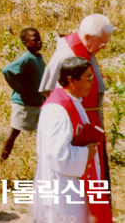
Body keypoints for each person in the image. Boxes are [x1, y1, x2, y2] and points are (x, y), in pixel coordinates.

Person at [38, 14, 113, 197]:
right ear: (87, 37)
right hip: (74, 130)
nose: (104, 47)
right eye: (101, 42)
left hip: (89, 120)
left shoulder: (86, 50)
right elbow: (57, 98)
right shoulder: (67, 54)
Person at [34, 57, 112, 222]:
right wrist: (85, 153)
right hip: (62, 187)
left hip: (74, 180)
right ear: (71, 80)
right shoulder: (58, 109)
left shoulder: (73, 102)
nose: (93, 82)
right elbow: (54, 155)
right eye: (88, 77)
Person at [1, 28, 45, 160]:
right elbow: (7, 70)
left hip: (36, 102)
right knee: (14, 132)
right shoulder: (27, 58)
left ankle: (42, 160)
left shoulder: (38, 57)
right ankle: (2, 160)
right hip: (23, 103)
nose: (39, 42)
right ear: (25, 43)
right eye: (34, 40)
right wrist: (20, 88)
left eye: (39, 39)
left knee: (43, 132)